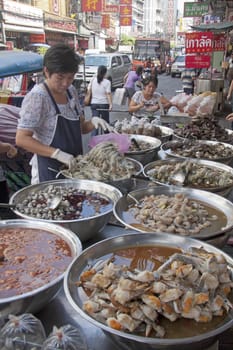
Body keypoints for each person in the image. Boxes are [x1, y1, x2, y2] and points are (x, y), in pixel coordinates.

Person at [15, 44, 112, 184]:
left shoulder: (70, 91)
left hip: (75, 167)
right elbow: (22, 139)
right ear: (46, 72)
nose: (65, 83)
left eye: (70, 77)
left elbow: (81, 128)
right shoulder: (38, 97)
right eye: (60, 77)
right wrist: (57, 154)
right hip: (49, 170)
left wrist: (93, 122)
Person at [89, 65, 112, 135]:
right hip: (104, 104)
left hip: (94, 103)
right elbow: (108, 94)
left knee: (95, 123)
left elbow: (88, 90)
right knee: (105, 122)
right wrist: (110, 104)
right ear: (105, 73)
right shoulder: (107, 82)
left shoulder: (92, 80)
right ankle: (107, 138)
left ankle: (94, 140)